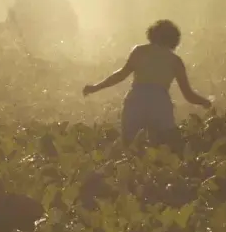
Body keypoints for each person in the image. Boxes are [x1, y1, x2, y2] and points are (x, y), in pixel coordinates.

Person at [83, 19, 212, 144]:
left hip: (135, 101)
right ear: (174, 40)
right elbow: (188, 95)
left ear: (152, 34)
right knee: (166, 147)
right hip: (160, 104)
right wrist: (206, 103)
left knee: (130, 146)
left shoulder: (139, 51)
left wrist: (95, 87)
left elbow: (121, 75)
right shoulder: (175, 61)